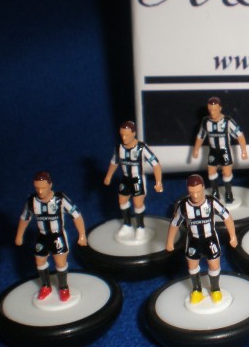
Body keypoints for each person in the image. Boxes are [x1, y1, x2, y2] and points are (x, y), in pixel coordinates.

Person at [15, 171, 87, 302]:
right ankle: (46, 286)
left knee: (60, 262)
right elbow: (24, 218)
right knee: (39, 261)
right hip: (42, 236)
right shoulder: (31, 201)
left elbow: (76, 215)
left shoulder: (60, 199)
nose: (40, 191)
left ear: (50, 185)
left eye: (43, 187)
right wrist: (19, 235)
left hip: (57, 236)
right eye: (37, 188)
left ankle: (63, 288)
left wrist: (82, 235)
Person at [166, 174, 238, 304]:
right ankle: (197, 290)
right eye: (191, 192)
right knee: (192, 265)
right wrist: (170, 241)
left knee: (214, 265)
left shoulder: (212, 202)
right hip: (193, 240)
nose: (195, 195)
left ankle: (215, 289)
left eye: (198, 192)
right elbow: (175, 223)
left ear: (203, 188)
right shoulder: (183, 205)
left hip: (210, 239)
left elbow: (227, 217)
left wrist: (233, 236)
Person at [103, 120, 163, 241]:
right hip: (126, 178)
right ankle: (127, 225)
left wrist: (158, 182)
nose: (124, 138)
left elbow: (156, 164)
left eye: (127, 135)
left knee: (138, 203)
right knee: (122, 200)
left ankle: (140, 227)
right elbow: (114, 163)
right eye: (122, 135)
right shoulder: (119, 148)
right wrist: (108, 176)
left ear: (134, 133)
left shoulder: (141, 148)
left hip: (138, 179)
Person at [192, 96, 248, 203]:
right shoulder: (206, 121)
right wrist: (196, 150)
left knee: (226, 172)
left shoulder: (227, 121)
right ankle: (215, 192)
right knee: (211, 171)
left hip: (224, 150)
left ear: (220, 108)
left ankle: (228, 193)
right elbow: (200, 136)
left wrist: (244, 151)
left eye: (215, 109)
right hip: (213, 150)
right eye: (210, 110)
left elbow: (240, 135)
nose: (212, 112)